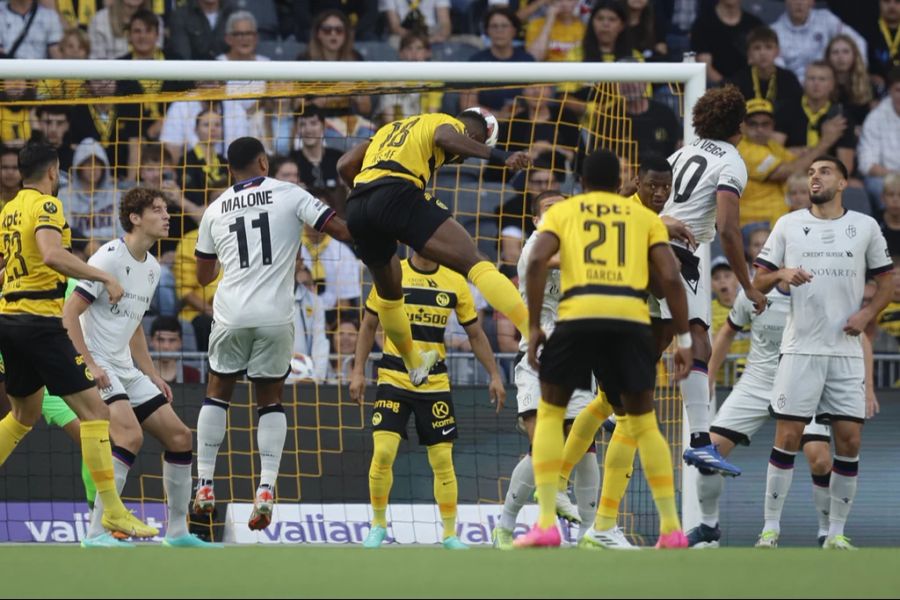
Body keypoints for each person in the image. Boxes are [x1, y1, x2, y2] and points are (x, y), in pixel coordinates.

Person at [514, 149, 693, 549]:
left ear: (580, 182)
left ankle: (545, 522)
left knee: (550, 414)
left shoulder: (565, 212)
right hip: (629, 321)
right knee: (643, 423)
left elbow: (538, 260)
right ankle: (671, 528)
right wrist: (683, 339)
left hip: (578, 317)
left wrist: (532, 324)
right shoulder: (644, 218)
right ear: (620, 184)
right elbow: (670, 276)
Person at [192, 137, 351, 530]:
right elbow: (338, 229)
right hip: (277, 317)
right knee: (270, 401)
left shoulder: (214, 209)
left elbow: (203, 275)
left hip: (231, 313)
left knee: (217, 392)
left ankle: (205, 483)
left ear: (230, 170)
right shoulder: (291, 194)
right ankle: (265, 489)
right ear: (264, 161)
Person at [0, 139, 156, 540]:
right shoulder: (46, 204)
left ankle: (111, 511)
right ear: (53, 172)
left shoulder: (9, 209)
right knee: (97, 416)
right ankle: (114, 512)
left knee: (22, 417)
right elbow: (52, 255)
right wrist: (102, 275)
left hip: (9, 321)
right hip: (39, 322)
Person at [63, 187, 217, 548]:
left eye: (166, 210)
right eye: (158, 210)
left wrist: (151, 374)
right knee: (129, 436)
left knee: (180, 437)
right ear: (135, 218)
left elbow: (134, 327)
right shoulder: (108, 258)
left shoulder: (151, 267)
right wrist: (88, 364)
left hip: (125, 366)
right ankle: (96, 532)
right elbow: (69, 315)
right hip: (97, 363)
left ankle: (177, 532)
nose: (167, 216)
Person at [752, 155, 893, 549]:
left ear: (844, 182)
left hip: (845, 351)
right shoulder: (788, 224)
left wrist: (867, 314)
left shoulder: (865, 226)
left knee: (849, 442)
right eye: (811, 172)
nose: (815, 177)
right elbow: (757, 281)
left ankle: (835, 534)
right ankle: (770, 529)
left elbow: (885, 280)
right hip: (800, 349)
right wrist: (780, 274)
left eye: (825, 171)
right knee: (788, 436)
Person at [336, 110, 530, 386]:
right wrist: (499, 155)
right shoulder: (445, 123)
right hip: (397, 190)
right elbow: (444, 137)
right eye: (470, 150)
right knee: (475, 260)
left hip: (358, 204)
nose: (462, 159)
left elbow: (345, 165)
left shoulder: (389, 130)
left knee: (389, 295)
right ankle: (534, 336)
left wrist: (367, 202)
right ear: (474, 136)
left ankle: (415, 364)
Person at [349, 250, 505, 550]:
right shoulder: (392, 273)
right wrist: (358, 371)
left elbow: (475, 334)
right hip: (394, 375)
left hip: (434, 382)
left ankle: (449, 534)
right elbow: (369, 325)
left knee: (443, 460)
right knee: (383, 452)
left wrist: (495, 375)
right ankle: (378, 526)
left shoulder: (454, 282)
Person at [659, 86, 767, 476]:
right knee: (697, 339)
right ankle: (701, 442)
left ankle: (596, 403)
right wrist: (749, 284)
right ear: (739, 124)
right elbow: (728, 228)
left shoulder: (683, 151)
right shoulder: (733, 163)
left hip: (648, 241)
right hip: (674, 254)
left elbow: (647, 193)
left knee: (657, 339)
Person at [492, 189, 608, 550]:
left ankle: (592, 533)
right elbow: (562, 261)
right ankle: (505, 527)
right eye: (548, 209)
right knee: (541, 441)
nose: (556, 213)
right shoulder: (533, 248)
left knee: (585, 443)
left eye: (562, 208)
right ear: (535, 220)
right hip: (536, 357)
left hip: (578, 356)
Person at [692, 274, 841, 548]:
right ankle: (708, 528)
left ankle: (826, 533)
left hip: (803, 382)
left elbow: (847, 336)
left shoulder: (818, 295)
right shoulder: (753, 293)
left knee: (820, 459)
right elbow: (727, 331)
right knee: (707, 454)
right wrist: (709, 376)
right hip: (757, 381)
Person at [738, 98, 845, 229]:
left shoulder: (771, 145)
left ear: (772, 125)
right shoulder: (744, 149)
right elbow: (786, 171)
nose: (760, 129)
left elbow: (797, 163)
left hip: (778, 220)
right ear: (743, 126)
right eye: (753, 124)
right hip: (755, 224)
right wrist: (825, 142)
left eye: (765, 124)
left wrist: (804, 151)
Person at [770, 0, 867, 83]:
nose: (799, 3)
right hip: (794, 87)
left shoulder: (826, 18)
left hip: (831, 84)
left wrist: (860, 73)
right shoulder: (774, 32)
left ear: (812, 2)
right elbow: (778, 70)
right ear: (786, 1)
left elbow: (858, 41)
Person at [729, 26, 803, 131]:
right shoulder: (739, 80)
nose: (763, 53)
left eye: (768, 47)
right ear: (749, 53)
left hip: (780, 134)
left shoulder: (789, 80)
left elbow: (795, 113)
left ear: (777, 51)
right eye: (757, 48)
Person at [690, 0, 762, 86]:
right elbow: (706, 67)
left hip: (752, 89)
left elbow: (762, 64)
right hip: (715, 90)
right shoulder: (702, 24)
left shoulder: (755, 25)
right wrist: (730, 88)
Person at [858, 67, 900, 207]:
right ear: (889, 91)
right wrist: (894, 176)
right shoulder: (875, 118)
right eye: (898, 90)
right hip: (885, 178)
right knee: (878, 187)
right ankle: (888, 227)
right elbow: (867, 164)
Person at [149, 316, 202, 384]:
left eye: (172, 340)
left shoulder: (194, 375)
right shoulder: (141, 376)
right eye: (160, 340)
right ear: (151, 341)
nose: (166, 346)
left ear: (180, 343)